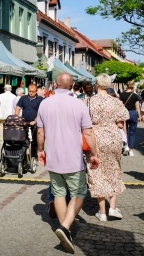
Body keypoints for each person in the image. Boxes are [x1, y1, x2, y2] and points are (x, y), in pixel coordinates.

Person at [37, 73, 99, 253]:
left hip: (53, 157)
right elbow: (88, 134)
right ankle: (65, 227)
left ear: (55, 85)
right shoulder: (79, 104)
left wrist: (40, 150)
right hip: (72, 158)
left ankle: (66, 230)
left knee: (58, 193)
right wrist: (94, 153)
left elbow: (40, 132)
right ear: (72, 86)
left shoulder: (45, 103)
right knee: (79, 192)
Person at [86, 73, 129, 222]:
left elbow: (85, 121)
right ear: (109, 85)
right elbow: (120, 123)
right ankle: (112, 207)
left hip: (95, 136)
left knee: (96, 172)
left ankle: (102, 212)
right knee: (114, 169)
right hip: (112, 137)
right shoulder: (116, 102)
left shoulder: (89, 101)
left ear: (96, 85)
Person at [15, 83, 44, 158]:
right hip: (24, 121)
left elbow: (41, 112)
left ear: (36, 91)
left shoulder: (40, 100)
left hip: (36, 122)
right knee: (23, 139)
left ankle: (34, 156)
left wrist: (35, 121)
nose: (31, 93)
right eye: (30, 91)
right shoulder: (23, 98)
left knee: (35, 140)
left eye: (33, 91)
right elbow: (17, 108)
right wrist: (17, 118)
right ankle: (23, 155)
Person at [119, 81, 141, 157]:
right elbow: (137, 107)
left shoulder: (122, 95)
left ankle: (126, 147)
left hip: (124, 114)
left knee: (125, 132)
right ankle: (131, 150)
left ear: (127, 86)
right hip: (133, 114)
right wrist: (139, 116)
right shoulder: (135, 95)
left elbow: (120, 106)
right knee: (132, 132)